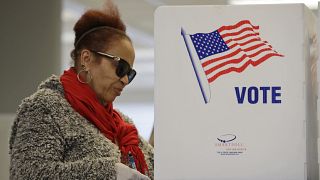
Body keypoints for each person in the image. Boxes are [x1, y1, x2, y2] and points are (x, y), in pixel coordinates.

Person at [9, 1, 153, 179]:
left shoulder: (123, 124)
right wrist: (109, 172)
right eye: (121, 67)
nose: (124, 80)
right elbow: (29, 175)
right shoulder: (45, 108)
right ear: (86, 58)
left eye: (130, 73)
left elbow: (159, 168)